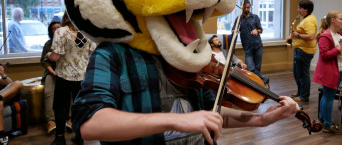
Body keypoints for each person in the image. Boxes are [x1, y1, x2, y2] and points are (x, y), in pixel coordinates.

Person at [71, 42, 299, 145]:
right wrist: (177, 120)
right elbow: (91, 125)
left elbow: (210, 114)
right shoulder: (112, 53)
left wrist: (261, 120)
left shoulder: (194, 56)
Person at [46, 12, 96, 145]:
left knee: (60, 107)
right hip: (83, 77)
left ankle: (60, 138)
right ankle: (80, 136)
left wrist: (48, 54)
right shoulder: (88, 31)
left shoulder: (61, 31)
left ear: (65, 17)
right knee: (80, 107)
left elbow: (55, 57)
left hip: (64, 76)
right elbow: (91, 53)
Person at [312, 11, 342, 134]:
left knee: (327, 96)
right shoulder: (325, 36)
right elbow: (324, 55)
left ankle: (323, 121)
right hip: (331, 71)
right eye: (341, 19)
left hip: (339, 69)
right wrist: (338, 49)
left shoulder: (339, 34)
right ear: (333, 20)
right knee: (328, 97)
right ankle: (327, 124)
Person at [232, 0, 268, 84]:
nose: (246, 9)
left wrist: (256, 30)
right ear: (242, 8)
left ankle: (258, 84)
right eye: (245, 7)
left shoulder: (255, 17)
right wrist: (235, 30)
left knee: (257, 68)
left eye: (248, 7)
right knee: (251, 68)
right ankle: (264, 79)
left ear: (250, 7)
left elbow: (261, 30)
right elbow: (233, 29)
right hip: (247, 47)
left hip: (258, 45)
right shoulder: (239, 19)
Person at [291, 0, 318, 103]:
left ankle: (304, 96)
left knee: (302, 74)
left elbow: (311, 36)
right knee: (297, 73)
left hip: (304, 51)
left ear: (306, 9)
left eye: (299, 8)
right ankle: (300, 93)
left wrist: (297, 35)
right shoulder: (306, 19)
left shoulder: (309, 20)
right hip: (300, 50)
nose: (298, 10)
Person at [40, 21, 60, 134]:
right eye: (54, 28)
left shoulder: (68, 42)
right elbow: (43, 61)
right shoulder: (48, 44)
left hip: (67, 73)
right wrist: (52, 72)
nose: (57, 29)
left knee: (71, 92)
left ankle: (70, 118)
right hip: (51, 73)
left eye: (59, 27)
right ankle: (51, 121)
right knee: (48, 92)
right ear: (50, 31)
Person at [0, 65, 23, 145]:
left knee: (18, 83)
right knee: (0, 104)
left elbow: (10, 83)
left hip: (3, 94)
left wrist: (3, 74)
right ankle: (2, 136)